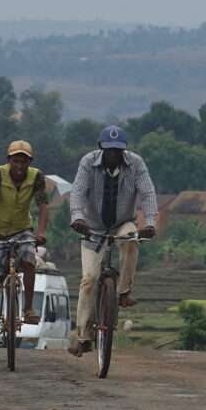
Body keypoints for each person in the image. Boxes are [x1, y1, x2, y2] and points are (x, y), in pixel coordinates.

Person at [68, 125, 157, 356]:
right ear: (101, 149)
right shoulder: (88, 162)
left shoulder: (136, 163)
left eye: (118, 151)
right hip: (92, 228)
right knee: (89, 280)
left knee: (130, 238)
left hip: (121, 222)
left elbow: (147, 193)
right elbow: (77, 192)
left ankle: (123, 291)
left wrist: (149, 223)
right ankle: (83, 337)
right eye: (109, 151)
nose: (113, 156)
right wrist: (77, 218)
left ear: (123, 152)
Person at [0, 140, 50, 347]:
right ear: (9, 160)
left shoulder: (36, 176)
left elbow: (43, 205)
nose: (19, 166)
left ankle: (28, 308)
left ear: (30, 162)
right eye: (16, 161)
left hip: (22, 229)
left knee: (29, 259)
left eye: (24, 162)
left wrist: (41, 232)